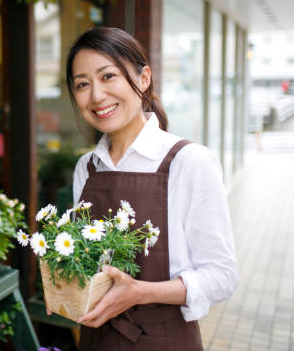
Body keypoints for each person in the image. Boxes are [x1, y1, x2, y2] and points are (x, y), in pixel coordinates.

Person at [65, 27, 238, 350]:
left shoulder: (187, 162)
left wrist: (141, 292)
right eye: (83, 84)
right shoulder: (87, 168)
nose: (97, 96)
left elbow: (223, 276)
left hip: (163, 341)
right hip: (96, 338)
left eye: (108, 76)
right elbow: (87, 262)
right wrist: (67, 287)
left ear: (143, 79)